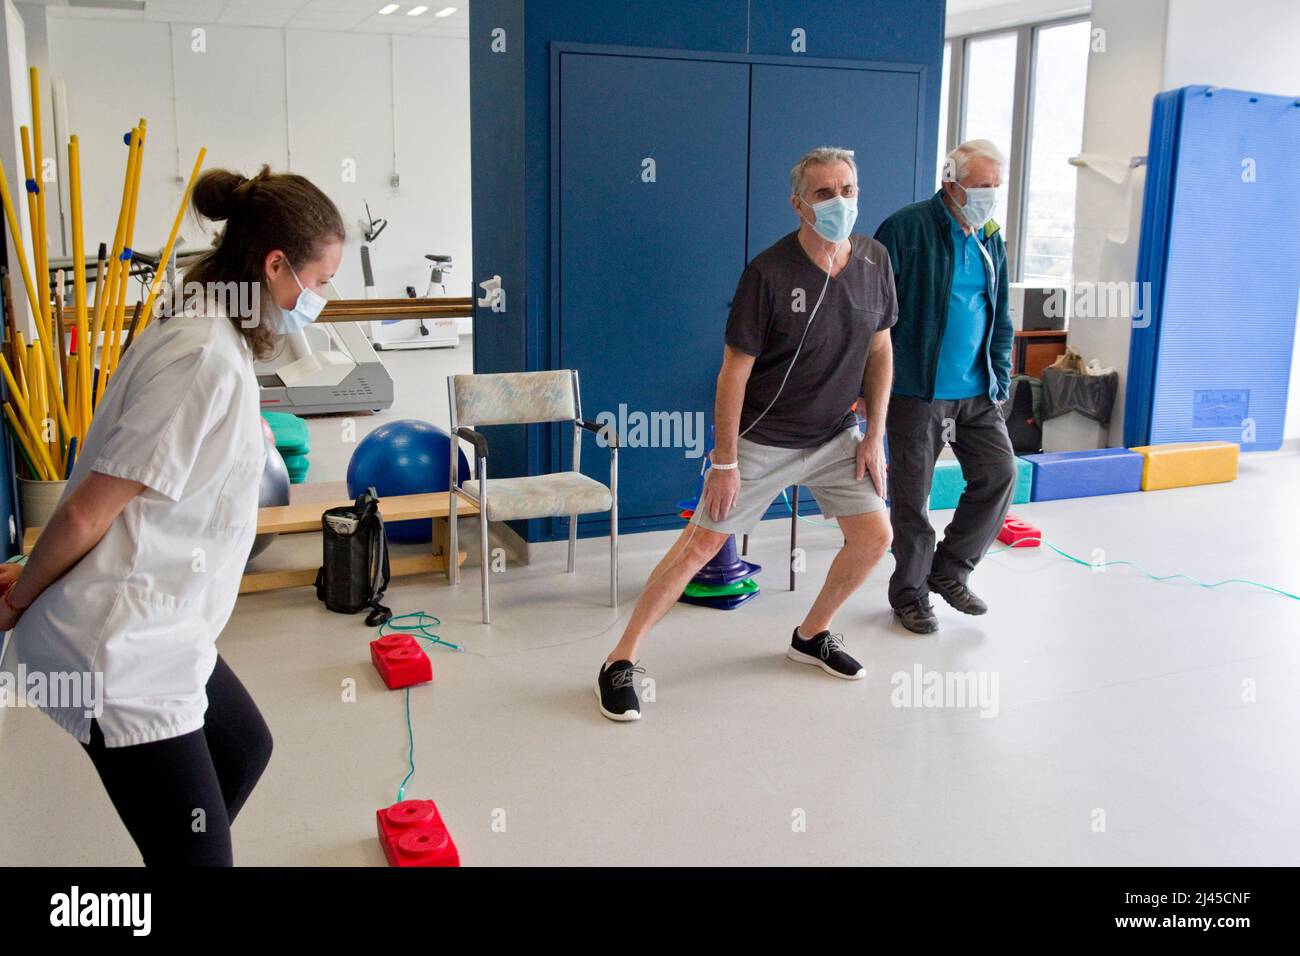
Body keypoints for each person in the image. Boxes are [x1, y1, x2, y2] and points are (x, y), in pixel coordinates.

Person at [0, 165, 345, 865]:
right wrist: (19, 596)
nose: (323, 298)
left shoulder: (207, 327)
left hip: (167, 620)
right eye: (322, 280)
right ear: (275, 265)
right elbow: (87, 513)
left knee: (244, 749)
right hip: (120, 646)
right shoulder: (203, 359)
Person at [596, 146, 897, 722]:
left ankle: (812, 634)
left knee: (873, 538)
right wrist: (726, 462)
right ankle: (619, 661)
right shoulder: (769, 272)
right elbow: (734, 370)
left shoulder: (874, 259)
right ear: (798, 204)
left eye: (848, 190)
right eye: (824, 193)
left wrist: (873, 433)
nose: (840, 202)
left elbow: (880, 347)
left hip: (837, 435)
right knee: (701, 546)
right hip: (765, 439)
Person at [873, 139, 1017, 635]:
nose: (989, 197)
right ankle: (909, 595)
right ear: (950, 180)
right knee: (913, 497)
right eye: (981, 187)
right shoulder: (906, 229)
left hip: (978, 391)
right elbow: (871, 314)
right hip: (917, 390)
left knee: (1000, 474)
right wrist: (866, 384)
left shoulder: (990, 235)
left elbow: (1000, 313)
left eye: (996, 188)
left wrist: (999, 372)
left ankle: (949, 570)